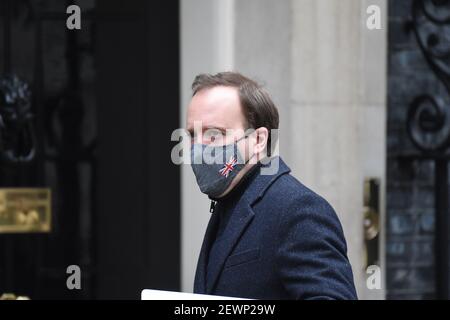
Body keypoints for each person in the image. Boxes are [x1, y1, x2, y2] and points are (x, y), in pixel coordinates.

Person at [186, 72, 357, 300]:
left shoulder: (298, 210)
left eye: (214, 134)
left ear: (258, 140)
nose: (198, 148)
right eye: (192, 135)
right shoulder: (227, 201)